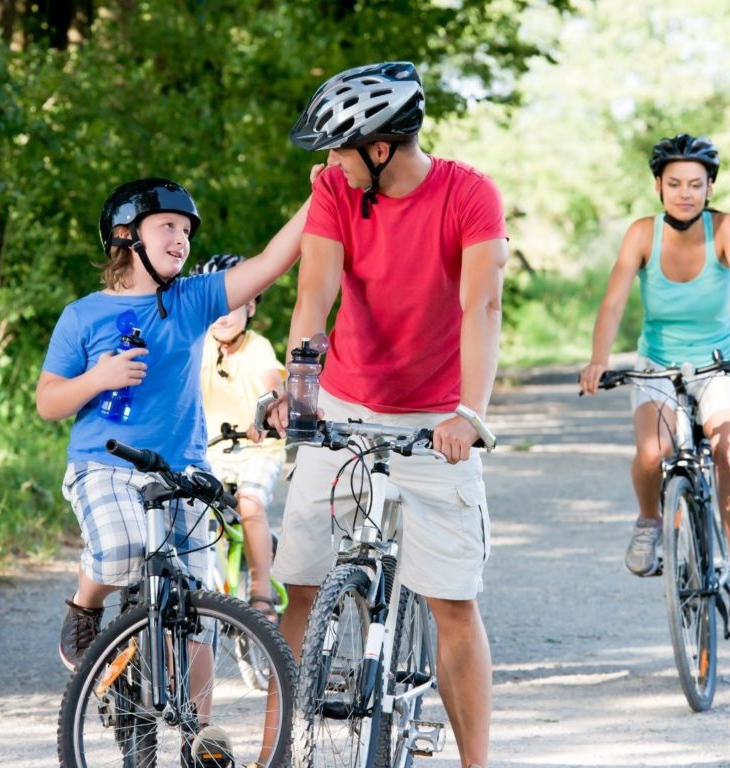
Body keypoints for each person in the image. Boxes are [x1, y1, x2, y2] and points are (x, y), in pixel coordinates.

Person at [271, 61, 507, 768]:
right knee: (304, 586)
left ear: (380, 148)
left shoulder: (470, 195)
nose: (331, 162)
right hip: (343, 401)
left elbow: (482, 307)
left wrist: (469, 413)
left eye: (340, 148)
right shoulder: (333, 190)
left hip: (438, 419)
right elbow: (314, 296)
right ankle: (274, 753)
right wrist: (299, 390)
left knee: (452, 605)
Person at [36, 177, 307, 676]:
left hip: (182, 471)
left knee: (194, 612)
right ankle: (86, 604)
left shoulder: (191, 299)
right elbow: (48, 402)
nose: (181, 238)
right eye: (167, 226)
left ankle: (199, 738)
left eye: (186, 229)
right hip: (105, 465)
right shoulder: (83, 315)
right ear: (125, 234)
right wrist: (99, 377)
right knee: (121, 551)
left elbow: (271, 263)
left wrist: (324, 193)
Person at [578, 134, 730, 634]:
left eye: (695, 183)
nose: (685, 193)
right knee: (652, 453)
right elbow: (614, 300)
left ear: (710, 188)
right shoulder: (642, 234)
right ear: (658, 187)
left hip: (719, 362)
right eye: (674, 184)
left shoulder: (725, 230)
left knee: (729, 455)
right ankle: (650, 520)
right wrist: (598, 360)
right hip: (658, 364)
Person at [193, 252, 287, 621]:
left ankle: (261, 590)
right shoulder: (197, 347)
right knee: (184, 505)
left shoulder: (257, 347)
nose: (221, 313)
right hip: (211, 451)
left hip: (256, 449)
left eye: (231, 304)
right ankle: (200, 585)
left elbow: (271, 383)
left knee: (249, 502)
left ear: (250, 304)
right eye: (213, 304)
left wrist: (265, 412)